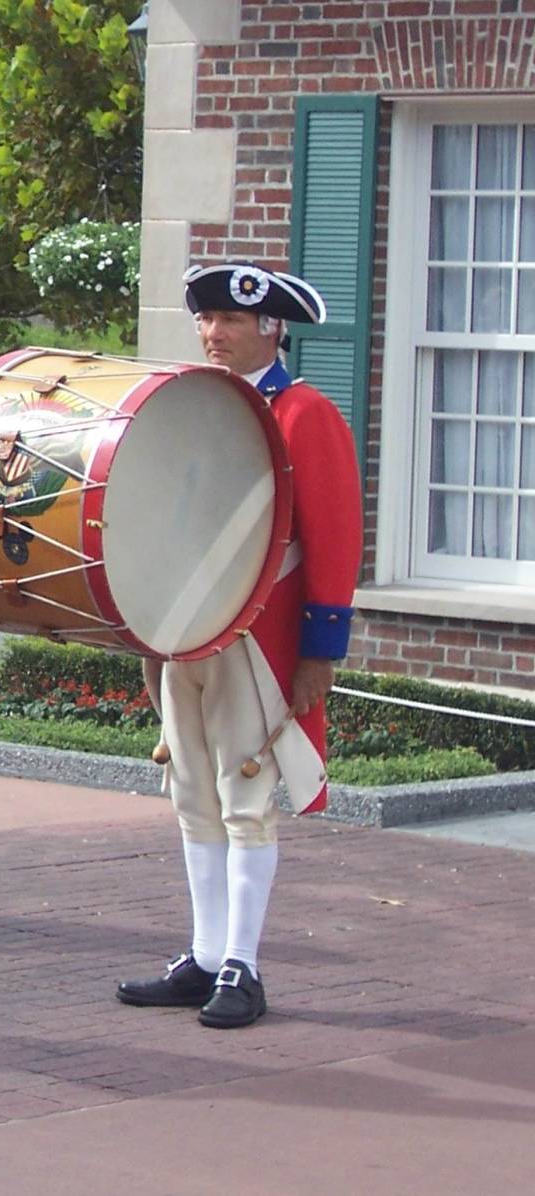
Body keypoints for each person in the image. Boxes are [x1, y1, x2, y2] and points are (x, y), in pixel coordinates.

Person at [117, 262, 363, 1030]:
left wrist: (321, 647)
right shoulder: (195, 408)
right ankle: (203, 952)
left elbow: (335, 533)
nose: (212, 333)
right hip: (186, 634)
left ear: (271, 328)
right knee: (193, 794)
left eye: (229, 320)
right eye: (205, 319)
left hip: (260, 638)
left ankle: (242, 966)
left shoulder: (303, 413)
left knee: (246, 798)